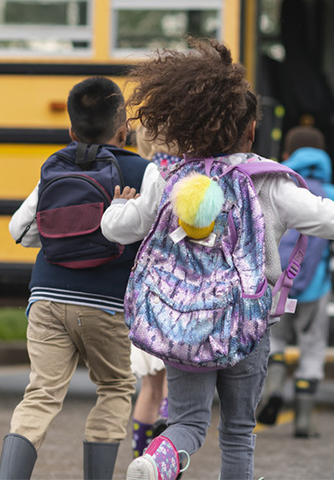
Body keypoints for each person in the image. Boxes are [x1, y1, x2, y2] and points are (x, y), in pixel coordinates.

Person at [99, 37, 334, 480]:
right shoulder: (270, 183)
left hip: (182, 324)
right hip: (245, 328)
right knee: (237, 429)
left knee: (188, 423)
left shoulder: (165, 174)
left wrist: (116, 208)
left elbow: (119, 228)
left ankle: (159, 461)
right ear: (251, 130)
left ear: (186, 127)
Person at [0, 77, 158, 480]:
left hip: (47, 298)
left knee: (41, 394)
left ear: (71, 131)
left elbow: (19, 230)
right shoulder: (143, 171)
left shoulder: (55, 165)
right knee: (115, 389)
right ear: (124, 130)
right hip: (106, 305)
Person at [257, 125, 334, 438]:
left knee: (276, 341)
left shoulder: (278, 188)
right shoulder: (332, 193)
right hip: (315, 288)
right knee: (312, 348)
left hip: (276, 286)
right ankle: (303, 420)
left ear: (287, 156)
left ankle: (273, 386)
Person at [130, 127, 182, 459]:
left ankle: (140, 459)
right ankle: (162, 462)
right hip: (178, 295)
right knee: (173, 389)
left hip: (144, 292)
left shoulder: (140, 175)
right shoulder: (184, 177)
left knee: (149, 385)